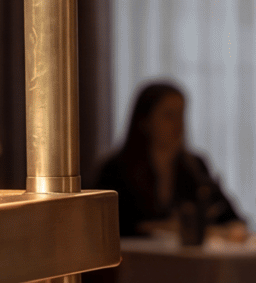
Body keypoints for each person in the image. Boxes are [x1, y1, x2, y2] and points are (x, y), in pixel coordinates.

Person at [96, 82, 243, 239]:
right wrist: (160, 227)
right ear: (144, 121)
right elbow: (104, 228)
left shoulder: (194, 166)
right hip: (134, 260)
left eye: (181, 115)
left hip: (187, 261)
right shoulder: (115, 169)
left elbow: (230, 217)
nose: (178, 124)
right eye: (169, 115)